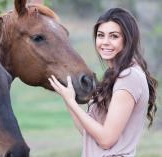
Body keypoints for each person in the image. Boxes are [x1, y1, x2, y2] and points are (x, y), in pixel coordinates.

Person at [48, 7, 158, 157]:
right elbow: (88, 133)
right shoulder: (115, 75)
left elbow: (106, 140)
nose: (105, 42)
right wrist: (68, 98)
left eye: (114, 36)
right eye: (101, 35)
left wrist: (72, 103)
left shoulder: (129, 76)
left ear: (128, 39)